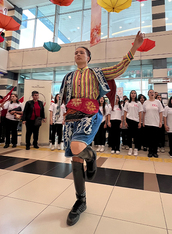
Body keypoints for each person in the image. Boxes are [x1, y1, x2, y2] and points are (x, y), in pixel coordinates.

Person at [55, 31, 144, 226]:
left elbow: (120, 68)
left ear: (88, 57)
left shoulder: (97, 72)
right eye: (76, 52)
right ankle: (81, 200)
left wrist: (134, 47)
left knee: (79, 148)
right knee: (75, 158)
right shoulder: (68, 76)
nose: (77, 54)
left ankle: (93, 157)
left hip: (90, 114)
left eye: (81, 52)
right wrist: (62, 116)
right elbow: (64, 98)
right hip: (71, 118)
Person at [143, 90, 164, 158]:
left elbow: (161, 112)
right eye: (150, 92)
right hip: (148, 122)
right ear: (148, 94)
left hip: (156, 123)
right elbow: (144, 113)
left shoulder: (158, 102)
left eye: (153, 92)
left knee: (155, 139)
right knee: (149, 138)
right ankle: (150, 152)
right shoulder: (146, 102)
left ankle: (155, 152)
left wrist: (160, 122)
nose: (152, 93)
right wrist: (143, 122)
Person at [124, 90, 143, 156]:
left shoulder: (138, 103)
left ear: (136, 94)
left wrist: (140, 122)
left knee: (136, 136)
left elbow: (140, 113)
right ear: (130, 94)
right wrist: (125, 121)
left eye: (134, 93)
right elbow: (125, 112)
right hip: (129, 120)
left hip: (136, 121)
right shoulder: (127, 103)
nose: (133, 94)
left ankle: (136, 149)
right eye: (132, 93)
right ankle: (130, 148)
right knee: (129, 136)